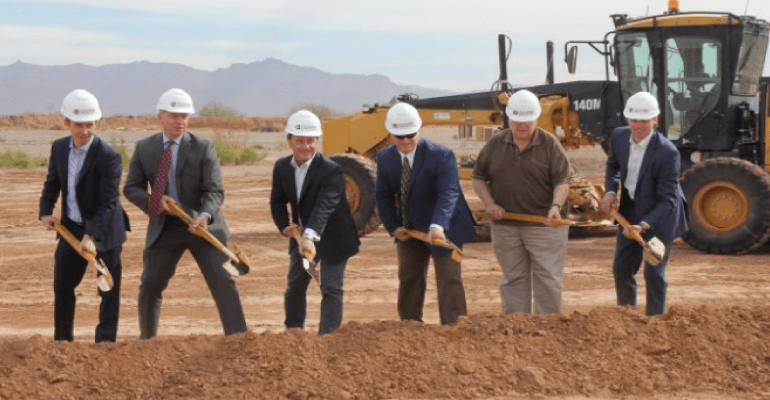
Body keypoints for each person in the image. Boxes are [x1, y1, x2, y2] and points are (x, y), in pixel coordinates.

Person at [123, 88, 247, 339]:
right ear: (160, 117)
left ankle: (238, 341)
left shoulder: (203, 147)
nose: (180, 121)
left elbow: (214, 190)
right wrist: (154, 201)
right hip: (165, 226)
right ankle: (147, 343)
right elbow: (131, 188)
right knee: (150, 284)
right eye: (174, 115)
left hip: (202, 226)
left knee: (223, 282)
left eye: (184, 116)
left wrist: (205, 216)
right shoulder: (145, 148)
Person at [39, 89, 130, 342]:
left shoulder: (109, 156)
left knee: (107, 288)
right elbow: (52, 183)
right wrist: (45, 212)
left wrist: (91, 237)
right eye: (78, 125)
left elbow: (108, 202)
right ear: (67, 122)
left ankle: (105, 344)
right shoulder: (59, 148)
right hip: (71, 228)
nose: (84, 131)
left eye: (89, 124)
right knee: (62, 285)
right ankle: (63, 342)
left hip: (105, 230)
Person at [375, 102, 475, 325]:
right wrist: (393, 227)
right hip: (410, 228)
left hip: (446, 226)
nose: (406, 141)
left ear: (419, 129)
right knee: (409, 277)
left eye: (410, 135)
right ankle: (410, 327)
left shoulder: (441, 155)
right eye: (399, 136)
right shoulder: (385, 158)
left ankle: (454, 328)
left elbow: (448, 193)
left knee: (449, 278)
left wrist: (438, 226)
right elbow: (382, 195)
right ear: (390, 134)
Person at [471, 89, 570, 314]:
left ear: (536, 118)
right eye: (517, 120)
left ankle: (548, 327)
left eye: (527, 120)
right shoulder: (495, 144)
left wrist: (555, 207)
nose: (522, 126)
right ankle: (516, 328)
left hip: (544, 226)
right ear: (509, 118)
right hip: (506, 226)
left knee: (548, 278)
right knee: (513, 278)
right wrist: (489, 204)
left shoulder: (550, 144)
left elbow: (562, 181)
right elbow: (478, 178)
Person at [270, 110, 360, 335]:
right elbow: (277, 201)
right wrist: (284, 226)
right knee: (295, 286)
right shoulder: (282, 167)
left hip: (334, 236)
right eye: (300, 141)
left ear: (317, 141)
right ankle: (294, 334)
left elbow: (324, 206)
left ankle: (328, 339)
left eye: (311, 141)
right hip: (301, 237)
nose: (306, 146)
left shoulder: (331, 170)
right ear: (290, 141)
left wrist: (310, 236)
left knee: (330, 287)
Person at [600, 91, 688, 316]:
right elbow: (613, 167)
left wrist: (644, 225)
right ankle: (627, 316)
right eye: (634, 120)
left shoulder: (667, 152)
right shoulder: (619, 137)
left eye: (644, 120)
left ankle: (654, 321)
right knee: (622, 269)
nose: (638, 126)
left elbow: (668, 199)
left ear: (655, 120)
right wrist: (610, 191)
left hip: (660, 217)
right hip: (630, 212)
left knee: (653, 272)